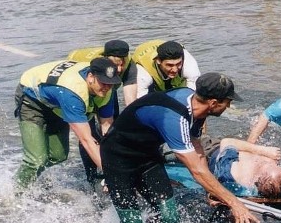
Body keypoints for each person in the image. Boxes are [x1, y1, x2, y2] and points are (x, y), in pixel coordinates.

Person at [99, 72, 259, 223]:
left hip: (147, 157)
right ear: (214, 102)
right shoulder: (174, 118)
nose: (228, 106)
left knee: (170, 218)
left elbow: (197, 149)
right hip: (118, 159)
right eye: (227, 102)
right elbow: (196, 170)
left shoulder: (197, 107)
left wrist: (213, 189)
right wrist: (234, 203)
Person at [14, 57, 121, 190]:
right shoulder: (72, 94)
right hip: (32, 99)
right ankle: (15, 194)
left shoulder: (107, 90)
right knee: (36, 160)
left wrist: (117, 165)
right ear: (90, 76)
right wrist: (111, 175)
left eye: (110, 83)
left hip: (56, 101)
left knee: (58, 156)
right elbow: (86, 140)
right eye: (103, 82)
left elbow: (107, 128)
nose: (106, 87)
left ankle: (32, 179)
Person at [68, 40, 138, 186]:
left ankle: (113, 164)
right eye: (115, 64)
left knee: (113, 126)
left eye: (122, 64)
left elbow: (131, 102)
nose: (119, 69)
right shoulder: (94, 67)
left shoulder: (130, 65)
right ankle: (91, 176)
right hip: (83, 88)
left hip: (105, 88)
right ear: (106, 59)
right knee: (88, 134)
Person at [202, 136, 281, 198]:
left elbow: (226, 142)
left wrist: (264, 150)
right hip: (240, 146)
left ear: (261, 176)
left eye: (274, 165)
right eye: (277, 165)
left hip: (211, 148)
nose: (275, 163)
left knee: (198, 128)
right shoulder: (270, 169)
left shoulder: (238, 173)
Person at [132, 39, 201, 98]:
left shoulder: (190, 67)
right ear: (158, 61)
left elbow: (192, 98)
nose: (175, 69)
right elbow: (138, 104)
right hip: (147, 74)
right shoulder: (143, 75)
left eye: (178, 64)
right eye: (170, 65)